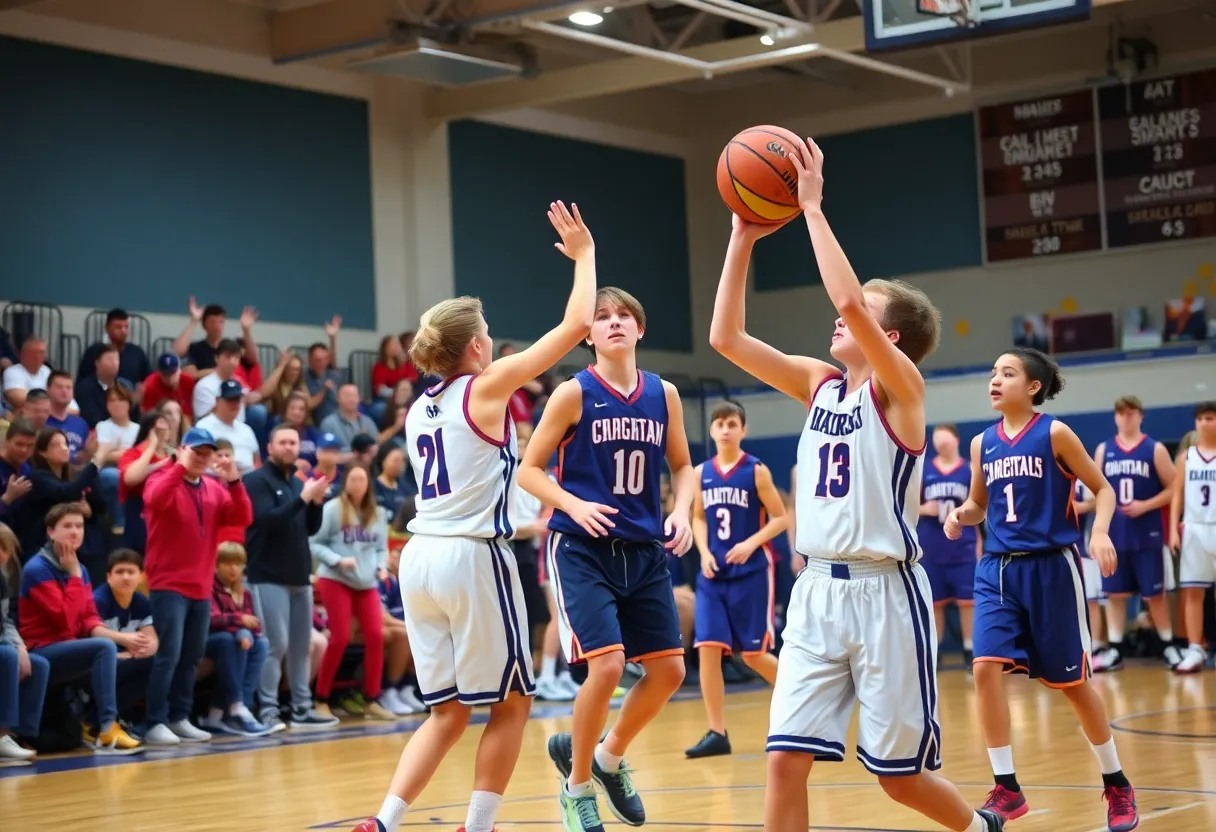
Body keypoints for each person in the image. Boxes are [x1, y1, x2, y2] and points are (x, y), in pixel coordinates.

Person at [709, 136, 1001, 832]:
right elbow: (726, 338)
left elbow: (844, 294)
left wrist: (812, 208)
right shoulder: (820, 384)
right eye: (848, 311)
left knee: (898, 778)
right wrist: (742, 237)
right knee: (784, 761)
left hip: (885, 594)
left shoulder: (902, 391)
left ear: (887, 337)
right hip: (816, 592)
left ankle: (981, 828)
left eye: (862, 313)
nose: (840, 315)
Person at [351, 200, 597, 832]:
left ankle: (383, 821)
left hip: (419, 560)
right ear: (476, 345)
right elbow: (576, 325)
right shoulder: (486, 387)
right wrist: (585, 255)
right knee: (512, 703)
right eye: (486, 331)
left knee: (447, 712)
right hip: (471, 556)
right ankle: (479, 826)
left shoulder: (416, 409)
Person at [520, 274, 696, 830]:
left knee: (669, 671)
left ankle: (608, 756)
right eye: (602, 316)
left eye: (624, 315)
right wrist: (572, 504)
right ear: (588, 335)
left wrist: (682, 510)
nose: (614, 321)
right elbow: (529, 470)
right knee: (609, 666)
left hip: (643, 548)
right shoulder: (573, 392)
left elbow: (683, 466)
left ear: (640, 329)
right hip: (582, 548)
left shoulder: (664, 394)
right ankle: (576, 789)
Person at [943, 347, 1138, 831]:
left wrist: (1098, 532)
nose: (995, 380)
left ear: (1033, 387)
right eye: (993, 372)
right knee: (984, 668)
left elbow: (1103, 489)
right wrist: (961, 514)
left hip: (1052, 568)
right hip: (997, 570)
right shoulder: (981, 443)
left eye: (1007, 373)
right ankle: (1007, 786)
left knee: (1074, 685)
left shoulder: (1054, 433)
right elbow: (979, 503)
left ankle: (1116, 783)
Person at [685, 400, 785, 759]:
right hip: (713, 574)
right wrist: (703, 551)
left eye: (732, 424)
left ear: (743, 430)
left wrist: (750, 543)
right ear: (712, 431)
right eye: (719, 424)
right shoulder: (700, 473)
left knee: (754, 655)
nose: (725, 430)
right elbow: (698, 517)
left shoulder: (756, 470)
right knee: (707, 649)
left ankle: (809, 706)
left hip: (751, 572)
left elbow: (781, 517)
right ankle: (717, 732)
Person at [1086, 396, 1178, 672]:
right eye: (1121, 413)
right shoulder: (1104, 450)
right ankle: (1115, 649)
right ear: (1115, 417)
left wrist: (1146, 505)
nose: (1126, 417)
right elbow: (1096, 491)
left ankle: (1167, 645)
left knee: (1154, 595)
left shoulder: (1155, 449)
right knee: (1115, 594)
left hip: (1147, 533)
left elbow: (1175, 488)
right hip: (1115, 534)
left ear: (1140, 416)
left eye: (1131, 413)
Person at [918, 424, 979, 666]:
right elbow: (905, 507)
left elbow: (979, 507)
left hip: (962, 545)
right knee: (935, 603)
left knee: (967, 601)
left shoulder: (969, 470)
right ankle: (935, 651)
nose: (941, 446)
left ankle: (969, 649)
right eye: (937, 442)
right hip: (931, 545)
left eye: (945, 441)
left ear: (955, 441)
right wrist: (924, 509)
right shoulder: (924, 470)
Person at [1168, 402, 1216, 673]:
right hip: (1194, 528)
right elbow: (1177, 495)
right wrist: (1172, 529)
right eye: (1200, 419)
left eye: (1209, 418)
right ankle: (1195, 648)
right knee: (1193, 591)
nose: (1204, 423)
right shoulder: (1186, 457)